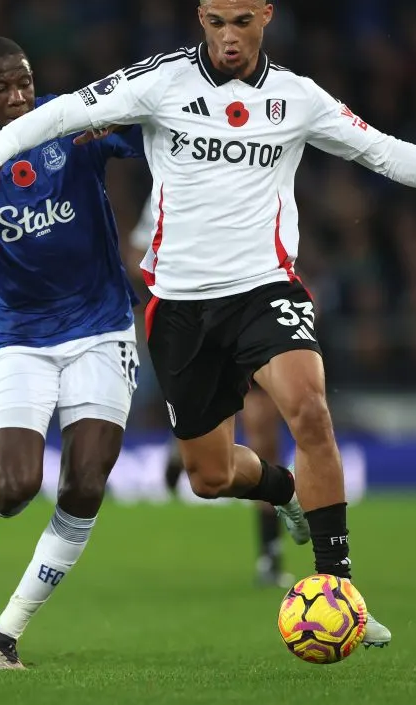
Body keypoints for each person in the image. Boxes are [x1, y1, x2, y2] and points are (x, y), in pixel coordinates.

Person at [0, 0, 416, 649]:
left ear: (267, 17)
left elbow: (378, 149)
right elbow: (61, 115)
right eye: (218, 22)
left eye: (243, 21)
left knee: (308, 408)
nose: (230, 36)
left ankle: (339, 590)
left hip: (265, 288)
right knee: (209, 473)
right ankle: (283, 490)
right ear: (201, 17)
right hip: (180, 307)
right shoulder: (160, 82)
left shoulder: (297, 97)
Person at [0, 37, 145, 670]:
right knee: (19, 485)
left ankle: (5, 634)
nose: (19, 96)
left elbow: (145, 137)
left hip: (101, 326)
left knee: (85, 482)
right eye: (2, 88)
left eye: (24, 82)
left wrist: (124, 121)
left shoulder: (68, 121)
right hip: (17, 337)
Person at [130, 200, 294, 588]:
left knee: (262, 428)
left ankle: (270, 552)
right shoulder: (173, 188)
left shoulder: (256, 180)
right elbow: (137, 251)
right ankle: (186, 440)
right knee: (210, 460)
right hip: (193, 323)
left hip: (249, 311)